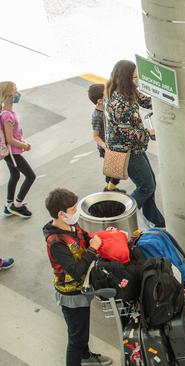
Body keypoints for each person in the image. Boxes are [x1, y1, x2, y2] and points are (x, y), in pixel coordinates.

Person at [43, 188, 113, 366]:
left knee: (81, 330)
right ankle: (79, 356)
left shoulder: (71, 225)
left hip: (82, 287)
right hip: (71, 294)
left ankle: (85, 355)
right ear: (61, 213)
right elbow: (76, 270)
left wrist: (103, 236)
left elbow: (86, 237)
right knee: (76, 338)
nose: (77, 212)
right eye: (73, 209)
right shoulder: (56, 242)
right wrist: (92, 250)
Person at [104, 60, 165, 227]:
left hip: (134, 148)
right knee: (146, 186)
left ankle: (156, 220)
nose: (138, 80)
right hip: (126, 150)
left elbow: (145, 101)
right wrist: (149, 133)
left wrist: (165, 101)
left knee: (149, 182)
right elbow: (126, 133)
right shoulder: (118, 103)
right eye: (135, 77)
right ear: (126, 78)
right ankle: (122, 218)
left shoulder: (127, 89)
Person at [0, 81, 36, 218]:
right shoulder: (7, 115)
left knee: (15, 175)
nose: (18, 93)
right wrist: (24, 146)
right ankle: (17, 205)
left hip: (12, 151)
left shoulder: (8, 112)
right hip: (12, 153)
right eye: (15, 91)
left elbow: (15, 134)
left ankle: (9, 205)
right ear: (8, 95)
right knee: (31, 176)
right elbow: (9, 139)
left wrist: (22, 141)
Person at [88, 83, 125, 193]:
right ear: (99, 100)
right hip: (108, 148)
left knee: (111, 170)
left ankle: (110, 188)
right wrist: (105, 147)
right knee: (118, 170)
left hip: (112, 144)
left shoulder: (105, 108)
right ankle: (109, 190)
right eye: (106, 94)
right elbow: (95, 136)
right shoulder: (97, 116)